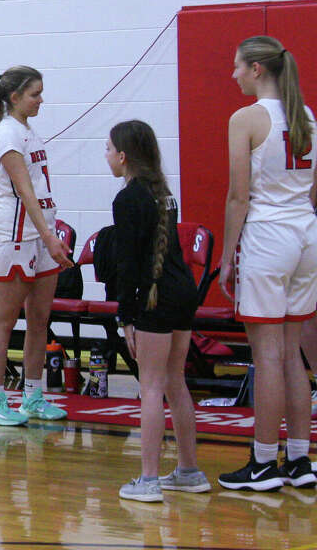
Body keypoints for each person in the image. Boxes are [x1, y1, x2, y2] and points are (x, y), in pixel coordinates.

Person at [217, 36, 316, 491]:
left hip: (268, 236)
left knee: (268, 355)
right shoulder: (308, 117)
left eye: (237, 66)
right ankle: (299, 459)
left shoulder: (247, 118)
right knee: (294, 354)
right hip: (306, 235)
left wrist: (227, 256)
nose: (233, 74)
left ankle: (261, 463)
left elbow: (239, 196)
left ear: (257, 69)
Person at [104, 120, 208, 502]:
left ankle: (148, 480)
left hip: (154, 296)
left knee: (150, 387)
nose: (106, 156)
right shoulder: (163, 191)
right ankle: (189, 471)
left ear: (123, 156)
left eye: (108, 149)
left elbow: (128, 264)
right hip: (182, 292)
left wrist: (126, 315)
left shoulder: (127, 198)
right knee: (174, 381)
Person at [0, 66, 73, 426]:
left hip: (41, 232)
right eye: (35, 93)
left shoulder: (28, 131)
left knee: (39, 319)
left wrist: (51, 233)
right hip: (17, 235)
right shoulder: (6, 134)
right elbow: (25, 193)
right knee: (4, 319)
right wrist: (50, 237)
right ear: (14, 97)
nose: (41, 99)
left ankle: (33, 395)